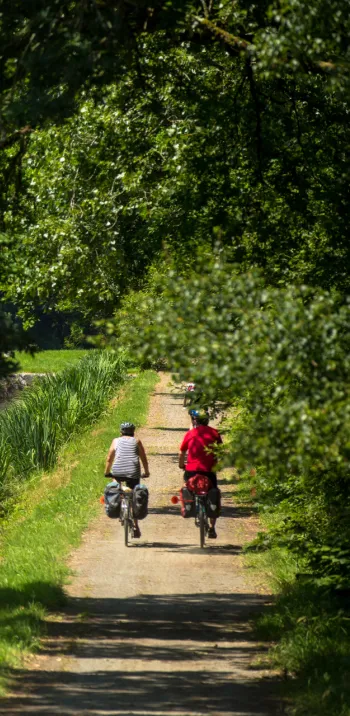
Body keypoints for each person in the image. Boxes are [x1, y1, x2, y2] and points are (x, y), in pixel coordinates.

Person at [178, 410, 222, 539]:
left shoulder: (191, 433)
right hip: (209, 470)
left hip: (192, 469)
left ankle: (189, 505)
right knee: (213, 491)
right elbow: (219, 451)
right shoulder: (214, 433)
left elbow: (182, 452)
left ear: (195, 420)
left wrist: (181, 465)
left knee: (186, 485)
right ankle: (212, 528)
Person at [105, 422, 149, 538]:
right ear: (133, 432)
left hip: (118, 471)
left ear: (121, 432)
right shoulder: (137, 441)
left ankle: (117, 502)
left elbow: (110, 458)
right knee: (134, 494)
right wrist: (146, 472)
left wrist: (107, 472)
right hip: (133, 472)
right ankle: (135, 526)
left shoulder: (116, 441)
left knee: (115, 484)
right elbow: (143, 458)